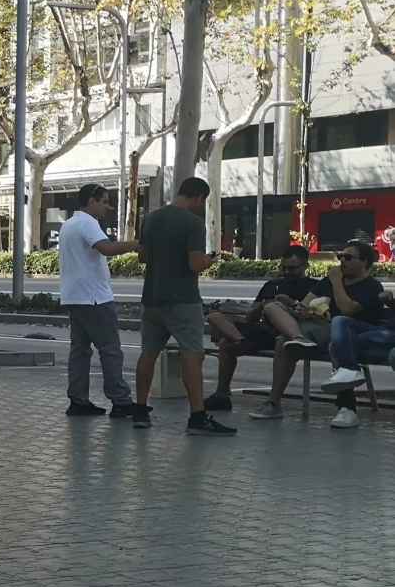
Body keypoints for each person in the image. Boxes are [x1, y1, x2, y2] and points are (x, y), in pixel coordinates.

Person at [130, 176, 236, 435]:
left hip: (152, 298)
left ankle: (140, 410)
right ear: (199, 196)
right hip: (183, 300)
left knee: (148, 354)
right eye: (203, 201)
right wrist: (211, 260)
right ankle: (198, 417)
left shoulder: (151, 218)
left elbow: (142, 257)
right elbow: (195, 264)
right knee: (192, 354)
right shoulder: (193, 223)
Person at [250, 239, 386, 428]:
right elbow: (305, 304)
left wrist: (337, 281)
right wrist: (297, 308)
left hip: (350, 334)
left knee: (337, 341)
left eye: (348, 257)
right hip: (319, 326)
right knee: (282, 339)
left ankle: (347, 408)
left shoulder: (371, 286)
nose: (342, 262)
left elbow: (347, 310)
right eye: (340, 257)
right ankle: (273, 402)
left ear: (364, 262)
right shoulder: (326, 282)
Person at [59, 183, 141, 417]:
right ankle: (121, 402)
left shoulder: (69, 224)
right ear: (91, 201)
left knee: (80, 350)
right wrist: (136, 244)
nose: (107, 206)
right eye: (104, 201)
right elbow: (107, 248)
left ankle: (78, 401)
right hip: (94, 298)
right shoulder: (87, 222)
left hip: (74, 296)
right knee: (110, 350)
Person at [202, 245, 315, 411]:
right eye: (283, 268)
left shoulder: (313, 287)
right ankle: (222, 394)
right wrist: (260, 307)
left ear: (305, 266)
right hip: (263, 330)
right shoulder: (272, 285)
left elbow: (315, 316)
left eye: (292, 268)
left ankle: (273, 402)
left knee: (281, 342)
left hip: (290, 333)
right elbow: (251, 317)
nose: (287, 272)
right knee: (221, 332)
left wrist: (289, 305)